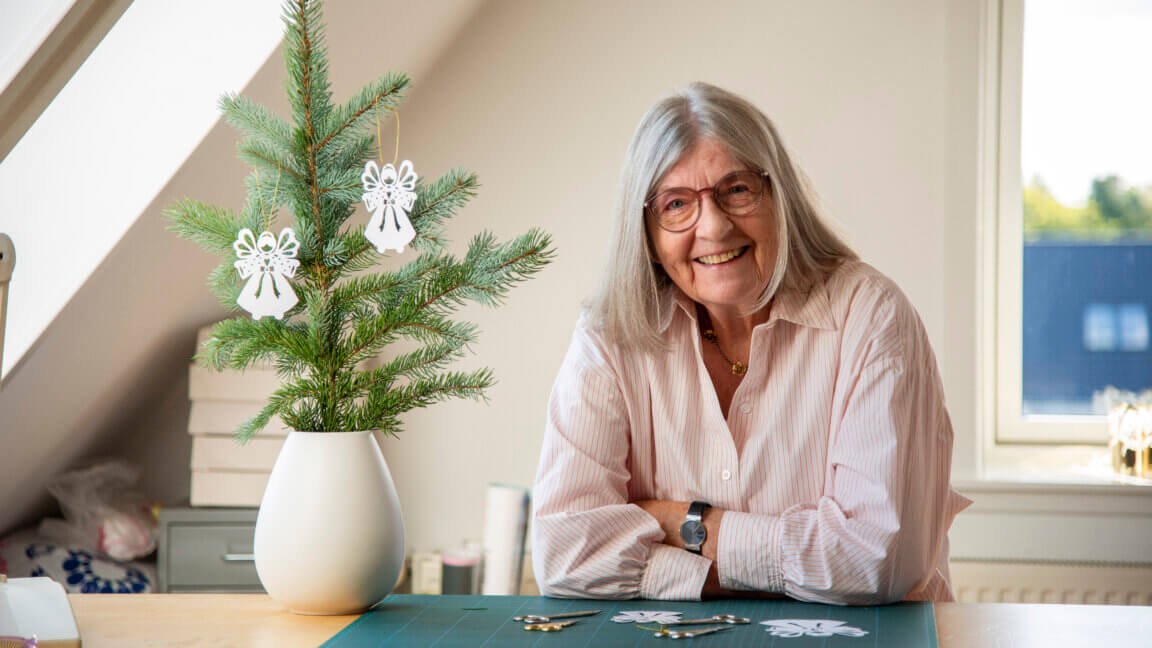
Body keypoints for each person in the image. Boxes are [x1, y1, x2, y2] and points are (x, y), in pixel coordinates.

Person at [531, 82, 971, 604]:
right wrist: (781, 565)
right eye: (676, 205)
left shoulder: (871, 316)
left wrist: (683, 523)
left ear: (778, 194)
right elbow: (563, 555)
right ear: (646, 231)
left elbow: (878, 561)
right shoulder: (609, 333)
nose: (713, 226)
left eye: (736, 190)